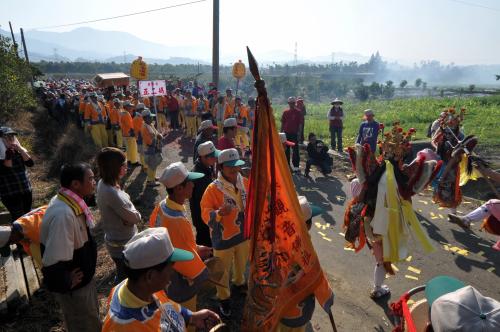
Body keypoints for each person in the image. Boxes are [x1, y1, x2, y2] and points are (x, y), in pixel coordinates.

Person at [102, 227, 221, 331]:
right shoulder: (123, 327)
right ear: (150, 276)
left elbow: (166, 306)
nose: (174, 271)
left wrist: (191, 317)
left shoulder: (145, 289)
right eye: (171, 266)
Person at [40, 163, 100, 332]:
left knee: (91, 317)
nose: (94, 182)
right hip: (76, 290)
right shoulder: (64, 214)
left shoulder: (69, 200)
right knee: (84, 323)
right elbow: (52, 259)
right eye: (90, 179)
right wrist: (65, 281)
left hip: (83, 283)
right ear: (75, 184)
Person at [149, 162, 210, 314]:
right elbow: (184, 258)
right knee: (184, 315)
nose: (193, 185)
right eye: (190, 183)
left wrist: (195, 248)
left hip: (162, 273)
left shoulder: (162, 205)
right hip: (178, 282)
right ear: (179, 188)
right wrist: (204, 274)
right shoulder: (177, 221)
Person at [201, 148, 249, 317]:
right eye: (230, 167)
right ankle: (224, 298)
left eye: (236, 166)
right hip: (223, 238)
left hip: (243, 233)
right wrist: (218, 214)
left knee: (242, 262)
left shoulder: (244, 182)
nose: (235, 170)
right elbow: (205, 214)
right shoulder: (212, 189)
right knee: (222, 270)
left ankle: (239, 282)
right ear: (221, 167)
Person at [278, 196, 334, 332]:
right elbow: (315, 275)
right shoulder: (304, 247)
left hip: (278, 301)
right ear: (307, 225)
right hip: (297, 303)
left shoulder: (280, 238)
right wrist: (328, 297)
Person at [96, 148, 141, 283]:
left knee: (122, 271)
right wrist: (133, 213)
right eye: (124, 164)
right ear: (115, 167)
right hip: (123, 244)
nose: (126, 167)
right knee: (126, 278)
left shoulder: (103, 183)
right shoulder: (112, 193)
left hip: (114, 239)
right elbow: (136, 218)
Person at [0, 127, 34, 221]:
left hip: (25, 189)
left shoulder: (18, 151)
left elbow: (30, 163)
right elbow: (6, 170)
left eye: (12, 136)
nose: (11, 139)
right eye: (7, 137)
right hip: (10, 193)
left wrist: (20, 149)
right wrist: (8, 155)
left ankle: (27, 235)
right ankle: (18, 235)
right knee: (18, 218)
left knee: (28, 216)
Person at [190, 142, 219, 246]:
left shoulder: (204, 167)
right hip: (202, 219)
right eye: (213, 156)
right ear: (204, 158)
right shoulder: (200, 176)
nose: (216, 158)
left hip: (202, 216)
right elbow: (207, 198)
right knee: (205, 245)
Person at [141, 109, 163, 186]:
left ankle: (152, 177)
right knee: (151, 165)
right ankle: (150, 181)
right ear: (145, 118)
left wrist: (159, 135)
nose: (152, 119)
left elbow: (156, 133)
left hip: (153, 148)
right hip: (150, 149)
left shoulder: (150, 125)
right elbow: (149, 142)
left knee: (154, 164)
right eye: (150, 117)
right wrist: (157, 140)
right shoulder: (145, 128)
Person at [281, 97, 304, 172]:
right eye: (290, 103)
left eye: (293, 103)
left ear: (295, 103)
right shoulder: (285, 112)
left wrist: (299, 134)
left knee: (295, 150)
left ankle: (296, 166)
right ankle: (287, 165)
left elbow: (300, 124)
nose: (292, 104)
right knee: (286, 150)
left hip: (294, 133)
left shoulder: (298, 112)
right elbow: (283, 123)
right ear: (288, 103)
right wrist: (281, 133)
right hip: (286, 134)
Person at [120, 101, 139, 165]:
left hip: (125, 133)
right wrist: (133, 132)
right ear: (126, 107)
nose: (131, 107)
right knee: (133, 148)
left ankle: (129, 160)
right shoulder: (126, 114)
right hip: (129, 133)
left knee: (128, 148)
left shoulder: (123, 113)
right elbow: (130, 125)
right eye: (129, 106)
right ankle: (134, 161)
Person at [133, 103, 146, 169]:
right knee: (142, 152)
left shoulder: (140, 117)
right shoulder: (136, 118)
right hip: (140, 137)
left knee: (144, 152)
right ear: (140, 110)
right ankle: (144, 166)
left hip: (142, 136)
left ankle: (144, 165)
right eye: (143, 109)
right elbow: (139, 130)